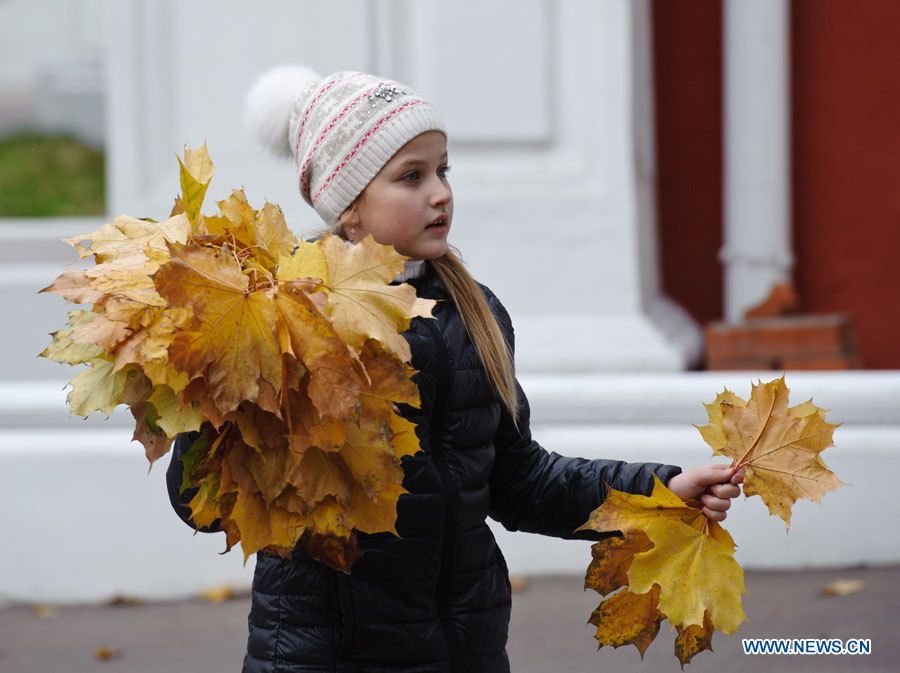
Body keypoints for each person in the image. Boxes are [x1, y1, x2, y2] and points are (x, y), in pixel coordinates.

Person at [165, 64, 745, 673]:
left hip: (463, 649)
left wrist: (657, 492)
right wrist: (214, 391)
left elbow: (518, 481)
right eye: (410, 176)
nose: (439, 193)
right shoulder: (293, 323)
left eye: (443, 170)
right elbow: (200, 504)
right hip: (324, 655)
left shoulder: (473, 314)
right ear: (350, 206)